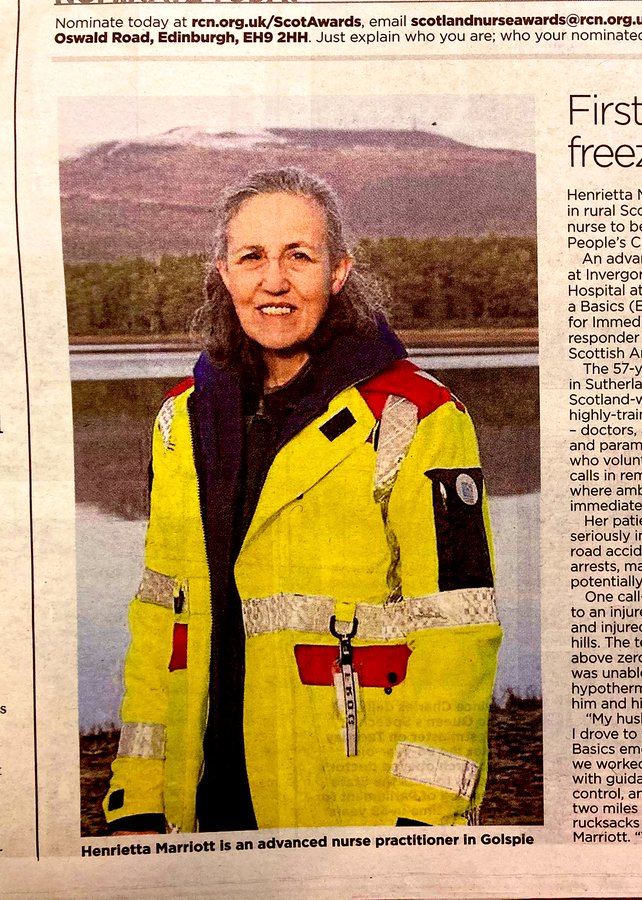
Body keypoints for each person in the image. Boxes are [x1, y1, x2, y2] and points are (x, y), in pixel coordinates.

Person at [103, 168, 501, 832]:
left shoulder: (420, 416)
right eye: (252, 257)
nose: (275, 281)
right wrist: (137, 794)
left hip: (350, 800)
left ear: (339, 272)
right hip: (198, 804)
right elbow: (157, 628)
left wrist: (428, 817)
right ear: (225, 274)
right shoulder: (181, 420)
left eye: (300, 256)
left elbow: (459, 634)